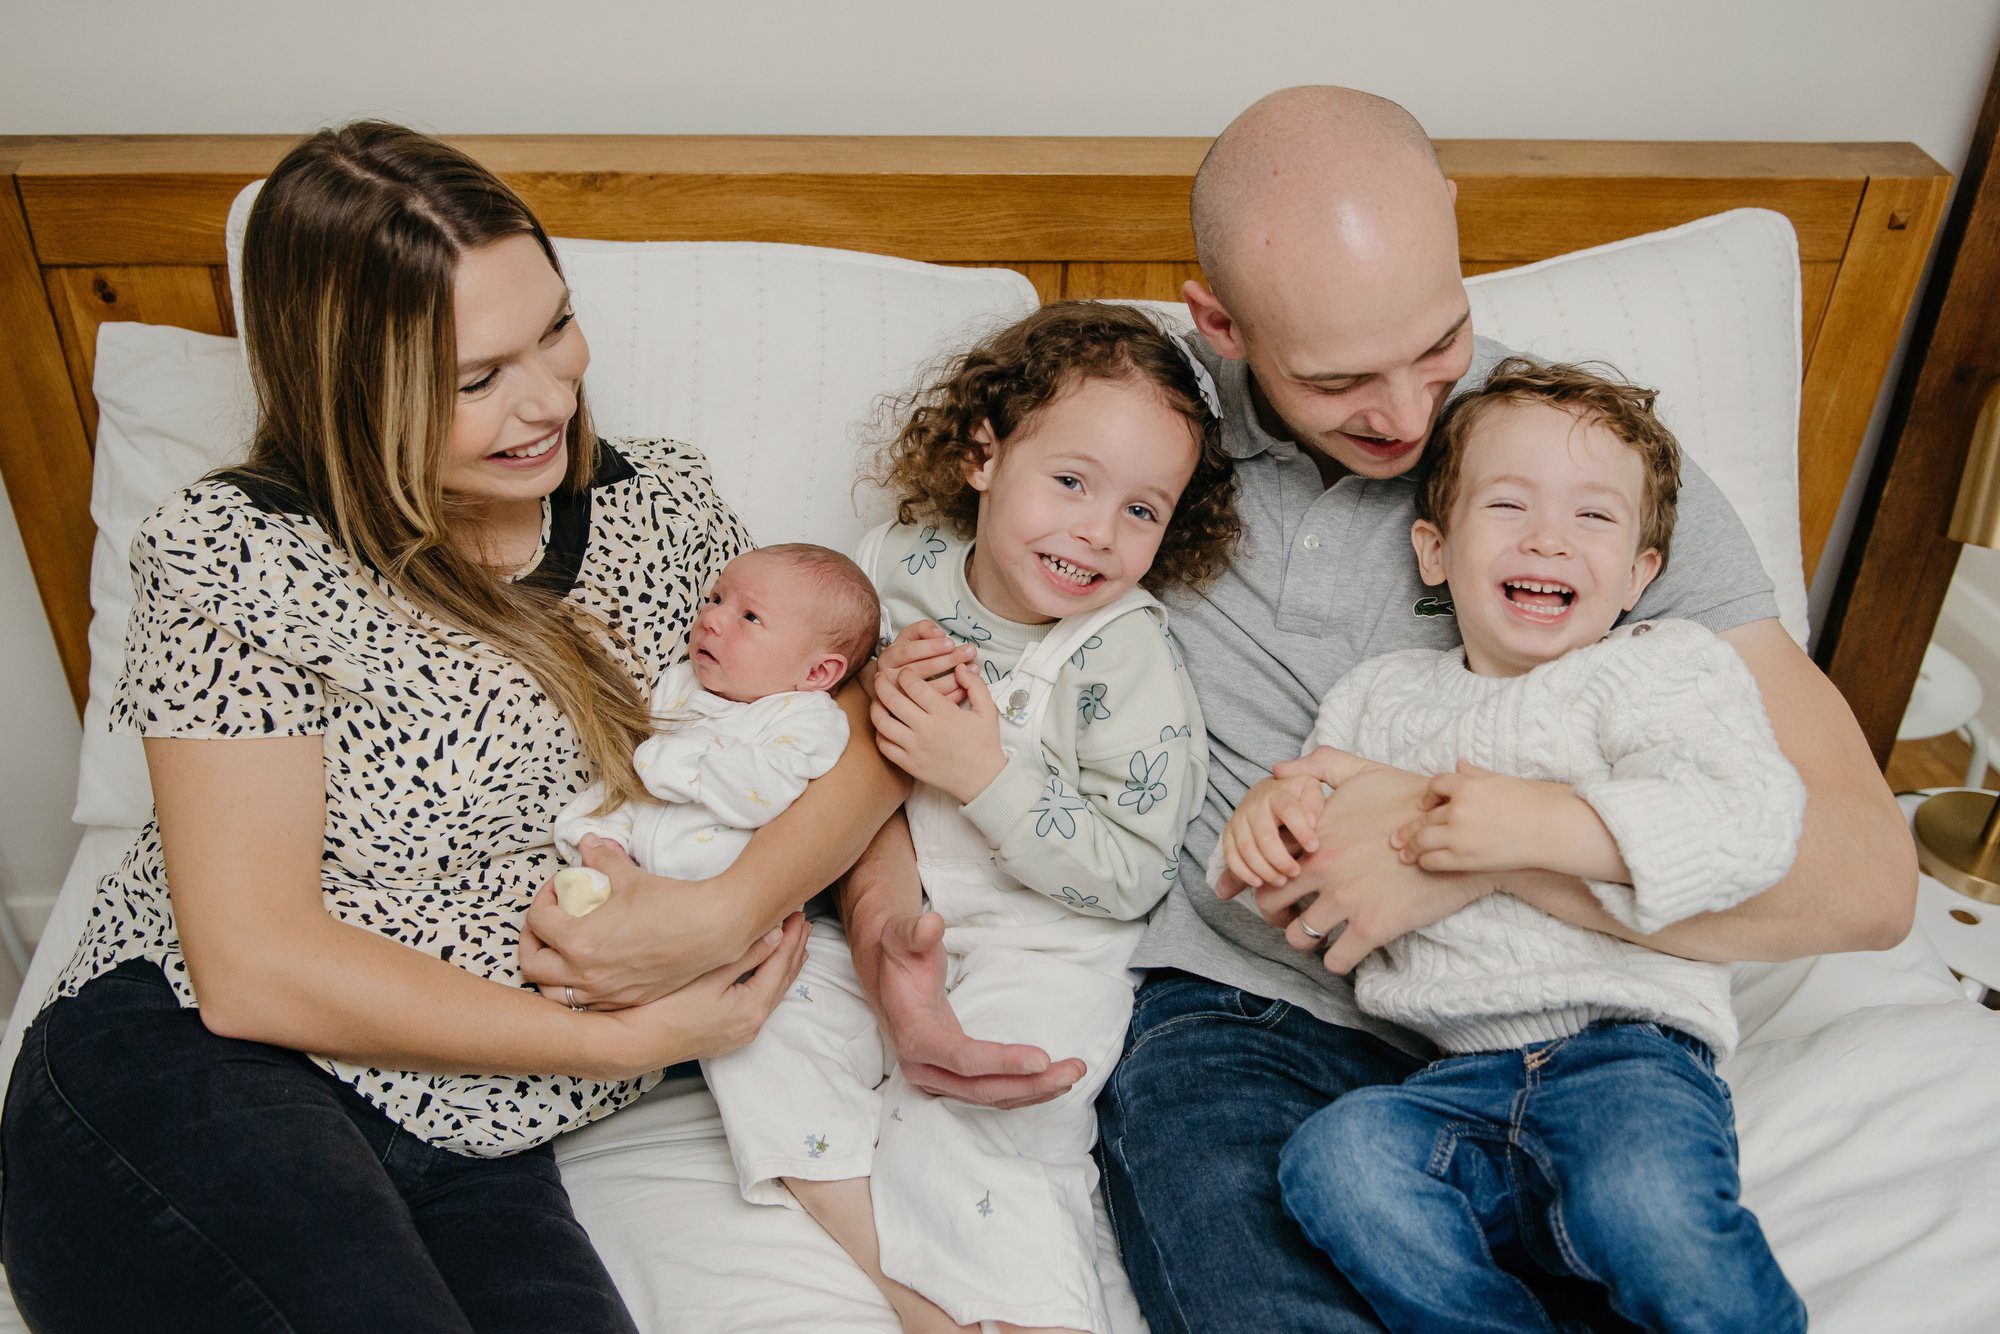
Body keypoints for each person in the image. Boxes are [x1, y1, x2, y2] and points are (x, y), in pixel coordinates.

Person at [835, 87, 1915, 1332]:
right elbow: (907, 695)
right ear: (1219, 322)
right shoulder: (1123, 448)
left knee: (1647, 1251)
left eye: (1439, 345)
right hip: (1232, 1013)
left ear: (1452, 225)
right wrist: (883, 941)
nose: (1406, 417)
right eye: (1339, 378)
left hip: (1537, 1017)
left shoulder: (1569, 468)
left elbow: (1864, 878)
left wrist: (1453, 850)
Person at [0, 122, 904, 1333]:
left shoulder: (660, 507)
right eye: (476, 378)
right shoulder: (236, 555)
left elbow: (865, 724)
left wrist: (723, 911)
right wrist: (623, 1039)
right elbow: (254, 968)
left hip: (480, 1121)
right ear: (350, 383)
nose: (549, 398)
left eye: (555, 330)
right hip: (198, 1063)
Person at [1217, 360, 1806, 1331]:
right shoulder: (1380, 696)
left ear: (1638, 575)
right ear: (1434, 548)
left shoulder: (1655, 672)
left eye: (1591, 517)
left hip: (1627, 1058)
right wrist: (1260, 832)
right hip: (1446, 1077)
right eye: (1507, 504)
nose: (1545, 536)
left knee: (1646, 1209)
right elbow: (1304, 865)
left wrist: (1536, 823)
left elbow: (1753, 817)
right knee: (1336, 1160)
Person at [703, 301, 1238, 1333]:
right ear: (982, 454)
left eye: (1141, 510)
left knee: (990, 1113)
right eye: (1070, 481)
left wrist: (984, 770)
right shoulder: (895, 566)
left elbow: (1128, 873)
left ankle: (1028, 1308)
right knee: (753, 1023)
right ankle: (909, 1288)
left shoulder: (1125, 656)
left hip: (1048, 940)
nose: (1096, 530)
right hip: (889, 912)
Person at [552, 544, 880, 879]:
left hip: (721, 884)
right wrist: (605, 837)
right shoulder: (680, 683)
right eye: (716, 599)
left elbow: (767, 789)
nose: (710, 618)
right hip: (637, 862)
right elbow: (631, 776)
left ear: (817, 673)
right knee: (592, 825)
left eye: (750, 617)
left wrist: (680, 761)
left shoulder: (808, 718)